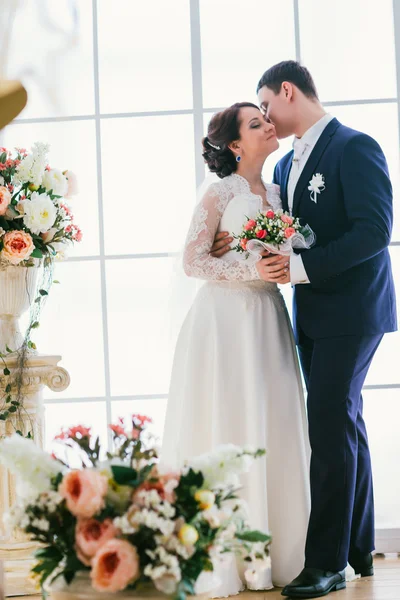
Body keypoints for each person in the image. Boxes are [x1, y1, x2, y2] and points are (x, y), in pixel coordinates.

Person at [211, 61, 397, 599]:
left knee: (329, 429)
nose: (266, 118)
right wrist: (239, 245)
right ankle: (359, 548)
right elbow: (281, 232)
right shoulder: (286, 167)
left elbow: (374, 231)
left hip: (355, 311)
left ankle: (326, 563)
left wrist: (299, 270)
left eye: (266, 105)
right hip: (312, 314)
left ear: (287, 91)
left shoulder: (354, 147)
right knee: (345, 422)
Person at [161, 102, 310, 592]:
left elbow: (286, 252)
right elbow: (192, 260)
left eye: (266, 119)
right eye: (255, 123)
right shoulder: (220, 191)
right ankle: (223, 557)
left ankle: (279, 554)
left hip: (267, 317)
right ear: (235, 145)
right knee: (227, 419)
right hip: (224, 320)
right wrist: (250, 269)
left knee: (274, 423)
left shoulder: (280, 190)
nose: (268, 125)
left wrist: (276, 266)